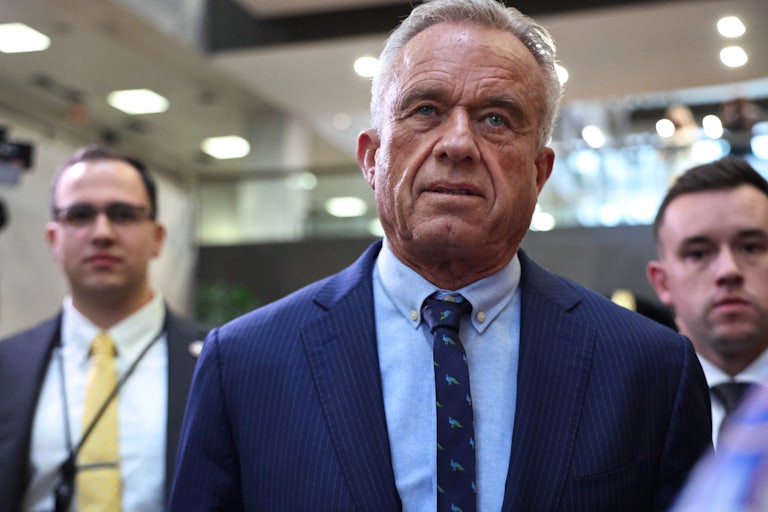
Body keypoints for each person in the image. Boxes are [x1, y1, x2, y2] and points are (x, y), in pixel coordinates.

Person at [170, 1, 711, 510]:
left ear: (540, 172)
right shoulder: (243, 363)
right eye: (426, 110)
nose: (458, 143)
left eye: (496, 119)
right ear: (372, 157)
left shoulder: (650, 369)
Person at [0, 144, 209, 511]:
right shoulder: (7, 365)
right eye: (80, 215)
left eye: (123, 214)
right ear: (54, 239)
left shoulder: (216, 362)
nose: (102, 233)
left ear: (158, 237)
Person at [647, 156, 768, 449]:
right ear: (662, 282)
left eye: (750, 247)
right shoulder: (626, 411)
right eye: (699, 253)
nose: (729, 271)